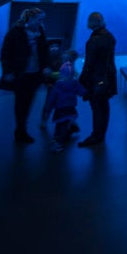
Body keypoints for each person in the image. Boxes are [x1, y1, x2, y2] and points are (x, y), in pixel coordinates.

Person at [0, 8, 52, 144]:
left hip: (35, 74)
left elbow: (44, 51)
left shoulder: (41, 32)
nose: (41, 22)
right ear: (29, 19)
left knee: (28, 102)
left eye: (42, 19)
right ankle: (20, 130)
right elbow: (5, 53)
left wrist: (46, 66)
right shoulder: (15, 33)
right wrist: (8, 71)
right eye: (39, 19)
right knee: (20, 103)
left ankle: (22, 129)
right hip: (21, 74)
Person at [78, 12, 117, 147]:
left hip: (96, 79)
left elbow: (89, 64)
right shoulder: (110, 37)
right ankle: (101, 134)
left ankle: (96, 136)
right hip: (108, 78)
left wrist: (82, 80)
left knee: (96, 108)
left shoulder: (93, 41)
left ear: (91, 23)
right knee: (104, 107)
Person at [43, 49, 87, 152]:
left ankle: (57, 142)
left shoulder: (57, 86)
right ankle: (64, 136)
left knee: (60, 126)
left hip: (60, 110)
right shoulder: (75, 83)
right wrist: (88, 92)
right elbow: (83, 92)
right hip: (70, 108)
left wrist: (47, 111)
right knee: (66, 123)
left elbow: (50, 100)